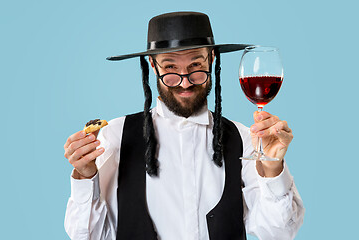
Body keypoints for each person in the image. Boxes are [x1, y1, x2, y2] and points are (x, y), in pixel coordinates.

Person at [64, 12, 304, 240]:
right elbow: (87, 236)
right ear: (152, 65)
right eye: (170, 68)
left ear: (211, 59)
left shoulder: (244, 139)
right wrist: (85, 177)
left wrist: (273, 169)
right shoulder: (115, 136)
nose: (185, 81)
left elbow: (279, 233)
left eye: (196, 66)